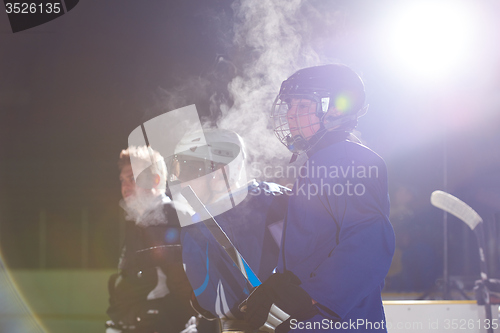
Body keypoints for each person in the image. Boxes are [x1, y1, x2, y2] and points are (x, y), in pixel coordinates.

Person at [241, 64, 395, 332]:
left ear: (335, 110)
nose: (290, 115)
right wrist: (282, 285)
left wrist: (312, 296)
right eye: (289, 106)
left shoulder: (348, 160)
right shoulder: (322, 161)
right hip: (314, 321)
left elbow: (369, 242)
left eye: (301, 106)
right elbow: (313, 248)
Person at [168, 129, 289, 332]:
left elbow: (211, 304)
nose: (181, 181)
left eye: (189, 169)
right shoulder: (280, 199)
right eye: (179, 169)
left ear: (221, 172)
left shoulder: (198, 229)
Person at [106, 146, 197, 333]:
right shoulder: (140, 220)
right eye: (122, 180)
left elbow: (188, 289)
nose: (125, 186)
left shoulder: (171, 216)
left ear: (155, 180)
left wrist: (170, 320)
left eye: (133, 178)